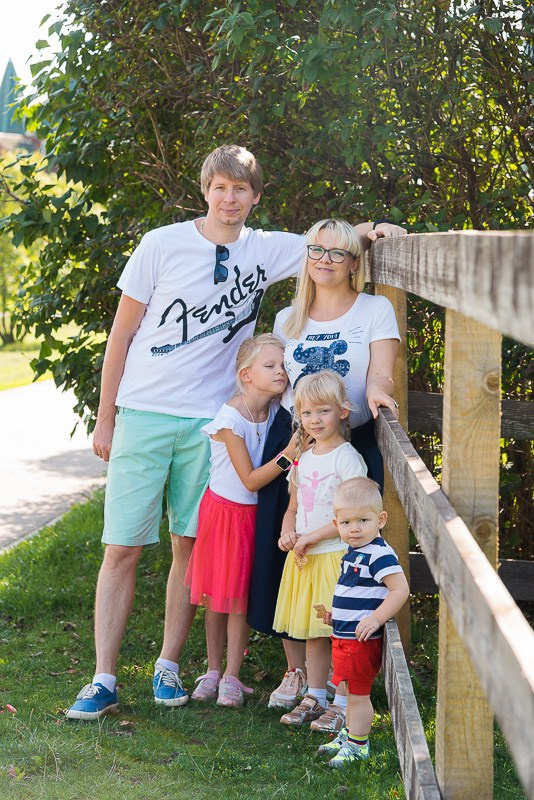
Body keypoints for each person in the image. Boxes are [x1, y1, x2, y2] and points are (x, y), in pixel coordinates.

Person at [65, 144, 405, 720]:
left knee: (189, 546)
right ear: (205, 190)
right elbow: (120, 335)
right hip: (146, 412)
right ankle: (102, 677)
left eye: (240, 189)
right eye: (220, 187)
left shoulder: (265, 248)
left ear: (255, 196)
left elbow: (328, 246)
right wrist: (106, 417)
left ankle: (169, 667)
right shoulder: (160, 244)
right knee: (122, 546)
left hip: (211, 423)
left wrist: (371, 230)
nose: (229, 198)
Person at [248, 218, 401, 717]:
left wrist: (377, 393)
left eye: (339, 253)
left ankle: (345, 678)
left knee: (346, 556)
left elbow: (380, 373)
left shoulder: (374, 309)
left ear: (355, 262)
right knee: (287, 547)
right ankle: (297, 671)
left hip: (350, 441)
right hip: (295, 444)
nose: (325, 260)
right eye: (316, 250)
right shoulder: (288, 317)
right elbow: (274, 382)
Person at [184, 334, 303, 708]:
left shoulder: (276, 411)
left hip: (254, 516)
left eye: (283, 365)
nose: (280, 371)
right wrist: (289, 454)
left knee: (240, 598)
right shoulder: (230, 419)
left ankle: (233, 676)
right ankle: (213, 670)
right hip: (224, 514)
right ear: (246, 375)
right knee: (218, 596)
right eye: (270, 366)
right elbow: (250, 480)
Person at [271, 371, 367, 729]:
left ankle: (342, 702)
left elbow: (354, 514)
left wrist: (312, 536)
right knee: (313, 630)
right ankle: (315, 695)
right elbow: (293, 507)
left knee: (338, 631)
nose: (314, 420)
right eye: (307, 413)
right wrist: (288, 532)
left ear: (342, 411)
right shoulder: (303, 458)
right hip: (305, 557)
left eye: (323, 411)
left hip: (336, 555)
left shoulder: (347, 458)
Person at [316, 476, 409, 767]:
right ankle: (349, 735)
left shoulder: (379, 554)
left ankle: (359, 745)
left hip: (361, 640)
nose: (354, 528)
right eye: (346, 523)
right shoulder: (353, 552)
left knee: (357, 695)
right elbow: (357, 592)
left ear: (380, 520)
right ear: (336, 524)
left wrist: (376, 618)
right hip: (344, 636)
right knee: (346, 689)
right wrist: (337, 617)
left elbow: (400, 589)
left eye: (362, 520)